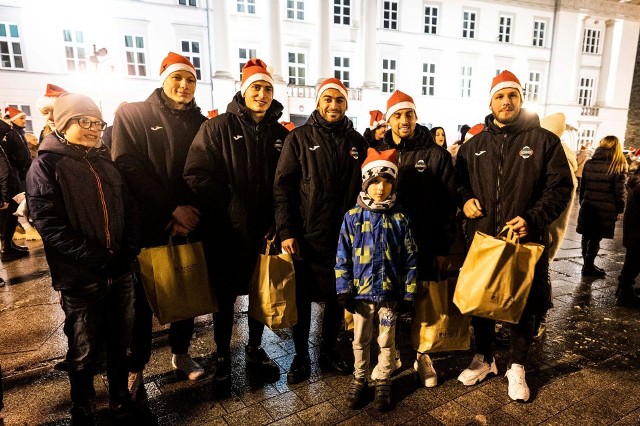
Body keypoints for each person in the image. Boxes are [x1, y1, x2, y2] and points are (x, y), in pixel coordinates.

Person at [455, 70, 572, 402]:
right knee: (481, 300)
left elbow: (559, 189)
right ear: (490, 102)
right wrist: (464, 200)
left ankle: (517, 365)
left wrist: (533, 219)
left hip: (524, 238)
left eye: (512, 96)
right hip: (482, 238)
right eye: (500, 96)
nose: (506, 101)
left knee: (522, 302)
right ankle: (484, 358)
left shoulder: (544, 141)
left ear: (521, 99)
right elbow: (459, 184)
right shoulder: (473, 145)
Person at [26, 93, 140, 424]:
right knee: (84, 345)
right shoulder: (47, 165)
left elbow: (129, 209)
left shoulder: (106, 163)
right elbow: (49, 223)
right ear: (64, 124)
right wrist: (96, 258)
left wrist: (129, 249)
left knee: (121, 341)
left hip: (119, 272)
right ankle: (83, 400)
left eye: (97, 122)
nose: (93, 128)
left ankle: (119, 395)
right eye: (84, 121)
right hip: (80, 277)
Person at [184, 58, 288, 398]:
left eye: (267, 88)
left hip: (264, 233)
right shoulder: (216, 128)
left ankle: (254, 349)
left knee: (260, 294)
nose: (262, 94)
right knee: (225, 298)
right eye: (256, 88)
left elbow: (286, 183)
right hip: (226, 231)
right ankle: (223, 354)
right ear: (244, 92)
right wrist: (230, 206)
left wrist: (277, 221)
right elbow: (196, 174)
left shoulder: (280, 134)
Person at [111, 52, 207, 403]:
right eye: (177, 78)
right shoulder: (133, 113)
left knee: (186, 285)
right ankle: (135, 364)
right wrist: (171, 210)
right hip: (150, 222)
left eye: (190, 79)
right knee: (143, 299)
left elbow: (206, 169)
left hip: (191, 221)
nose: (184, 85)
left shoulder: (201, 121)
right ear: (163, 78)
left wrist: (192, 213)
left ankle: (180, 352)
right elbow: (127, 165)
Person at [273, 77, 367, 384]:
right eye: (328, 99)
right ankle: (301, 356)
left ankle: (327, 351)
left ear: (346, 104)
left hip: (345, 238)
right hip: (307, 236)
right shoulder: (299, 138)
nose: (333, 105)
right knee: (301, 299)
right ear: (318, 102)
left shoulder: (356, 142)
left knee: (336, 299)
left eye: (339, 100)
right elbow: (283, 187)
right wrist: (286, 230)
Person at [375, 90, 457, 388]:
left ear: (416, 117)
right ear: (389, 120)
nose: (403, 120)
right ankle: (391, 353)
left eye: (408, 114)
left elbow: (448, 204)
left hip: (424, 242)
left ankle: (424, 355)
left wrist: (442, 246)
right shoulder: (377, 150)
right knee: (388, 301)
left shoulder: (436, 155)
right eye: (397, 115)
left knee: (426, 302)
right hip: (387, 248)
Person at [336, 148, 417, 412]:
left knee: (386, 339)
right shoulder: (352, 217)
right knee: (360, 339)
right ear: (366, 184)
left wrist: (409, 293)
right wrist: (344, 289)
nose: (380, 188)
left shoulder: (400, 218)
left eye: (386, 182)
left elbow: (411, 258)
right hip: (360, 295)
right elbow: (342, 256)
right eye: (374, 182)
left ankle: (383, 378)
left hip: (390, 295)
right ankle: (360, 378)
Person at [576, 135, 627, 277]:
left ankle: (587, 264)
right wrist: (620, 209)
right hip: (604, 209)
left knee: (586, 236)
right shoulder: (617, 165)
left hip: (588, 205)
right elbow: (620, 191)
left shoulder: (589, 163)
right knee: (595, 238)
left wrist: (582, 202)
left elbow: (583, 186)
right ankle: (588, 266)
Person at [0, 110, 28, 261]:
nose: (25, 120)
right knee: (10, 211)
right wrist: (17, 169)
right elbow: (22, 156)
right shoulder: (9, 132)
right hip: (9, 178)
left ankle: (7, 245)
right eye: (22, 118)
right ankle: (6, 247)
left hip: (8, 177)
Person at [616, 156, 640, 307]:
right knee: (634, 262)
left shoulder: (636, 180)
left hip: (635, 230)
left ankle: (624, 290)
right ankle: (625, 293)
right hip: (637, 231)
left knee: (632, 261)